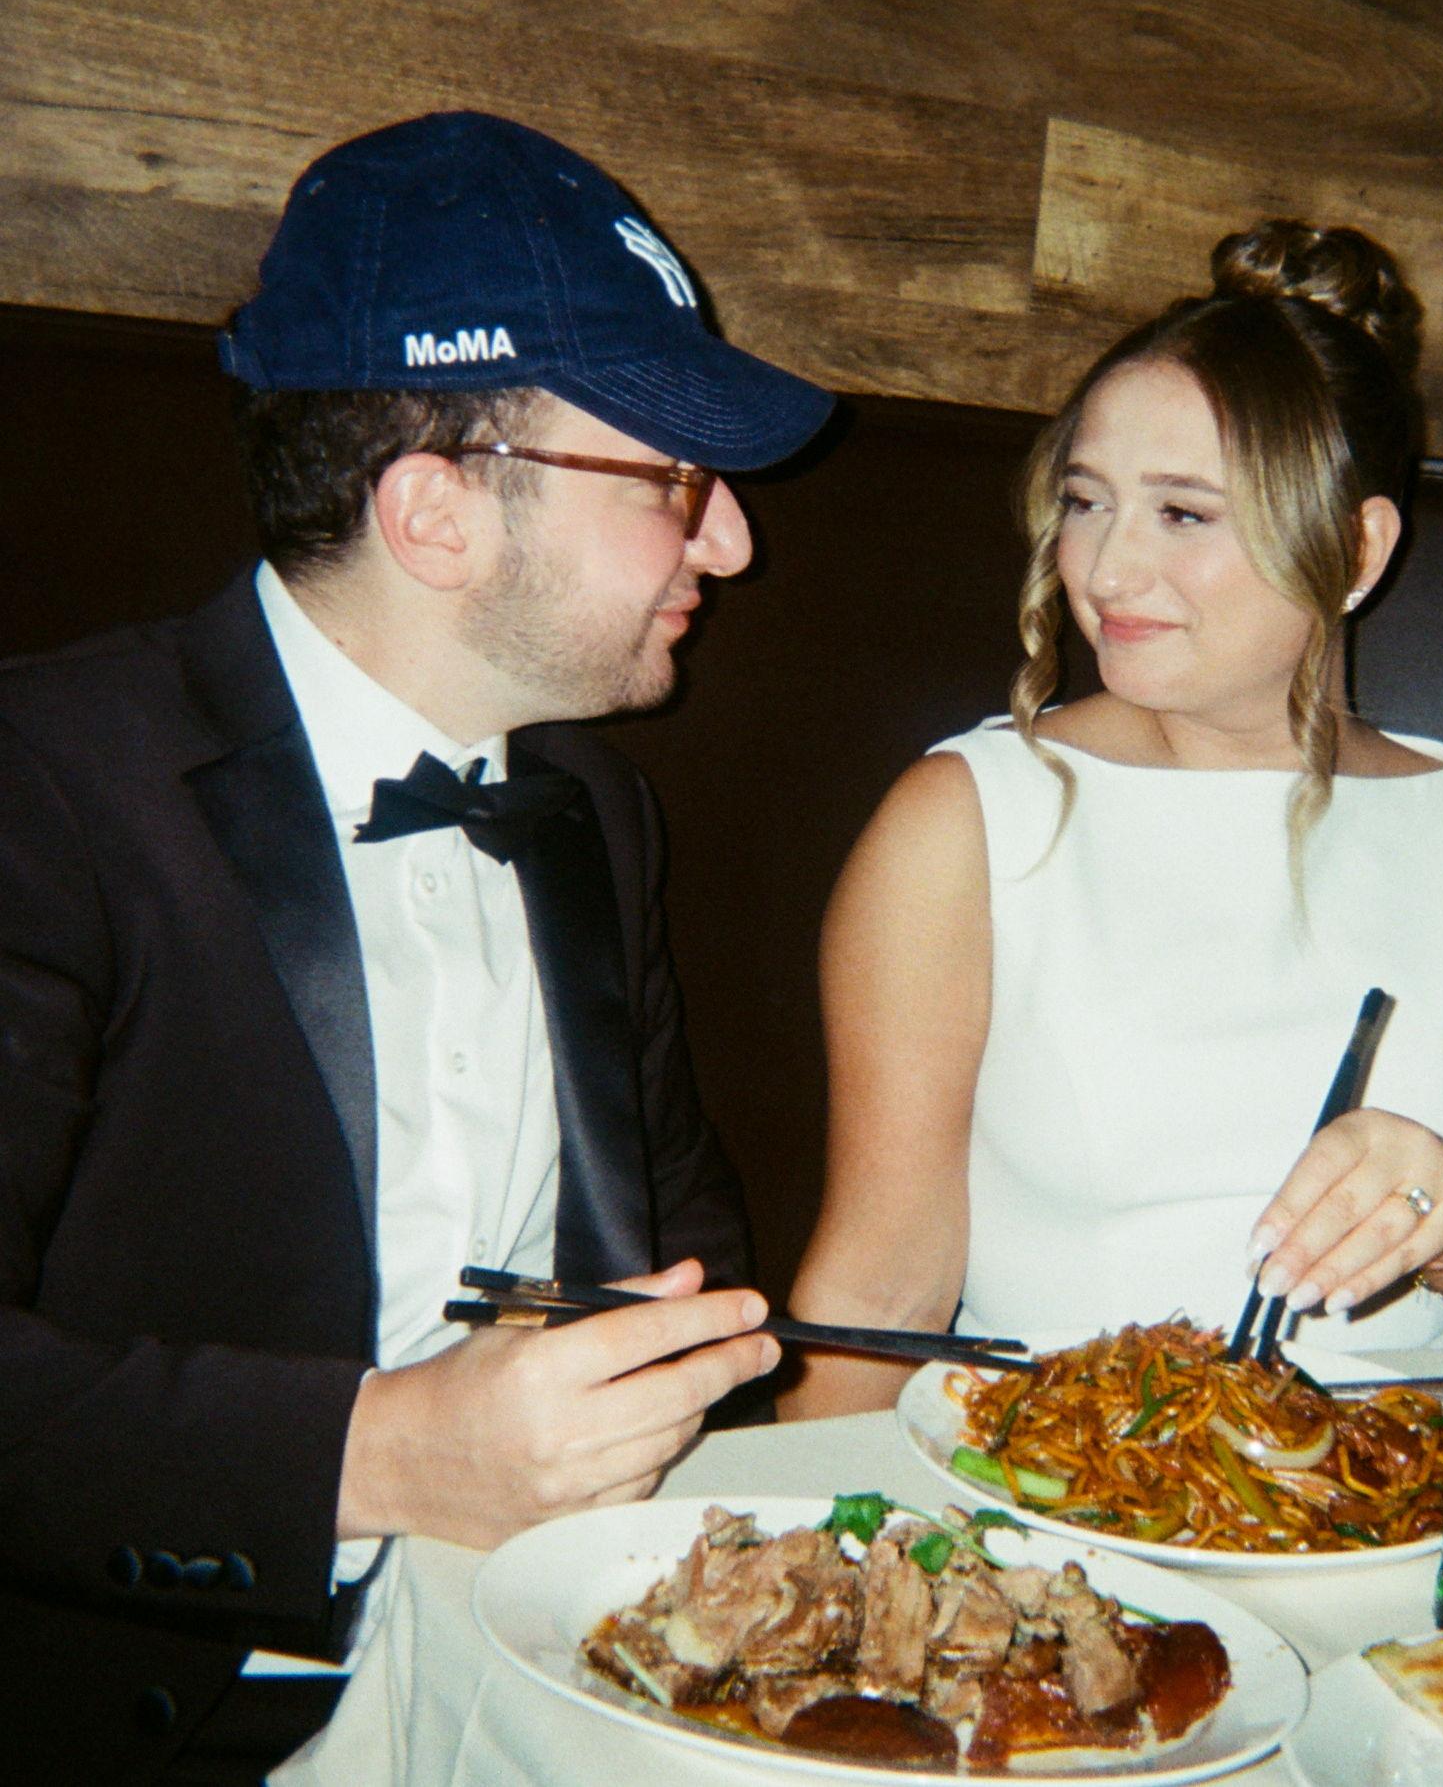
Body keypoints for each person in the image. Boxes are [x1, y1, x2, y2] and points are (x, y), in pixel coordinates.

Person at [0, 111, 833, 1781]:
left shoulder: (595, 808)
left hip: (540, 1666)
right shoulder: (46, 787)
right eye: (673, 478)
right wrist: (378, 1454)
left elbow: (677, 1231)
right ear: (437, 515)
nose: (731, 540)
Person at [782, 219, 1443, 1419]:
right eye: (1086, 500)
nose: (1105, 570)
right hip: (1046, 1483)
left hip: (1408, 1500)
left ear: (1357, 545)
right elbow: (880, 1287)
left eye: (1182, 514)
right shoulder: (966, 820)